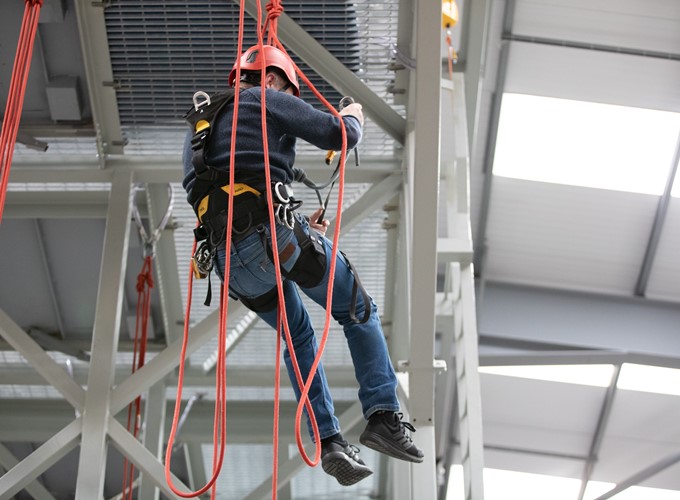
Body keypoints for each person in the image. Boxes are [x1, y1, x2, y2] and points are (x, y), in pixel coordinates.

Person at [182, 44, 423, 487]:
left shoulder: (200, 125)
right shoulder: (263, 97)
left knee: (298, 337)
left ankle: (329, 441)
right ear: (273, 80)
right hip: (273, 239)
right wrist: (353, 115)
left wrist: (288, 215)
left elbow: (221, 186)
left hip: (228, 262)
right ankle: (384, 417)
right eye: (288, 91)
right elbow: (340, 136)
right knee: (357, 308)